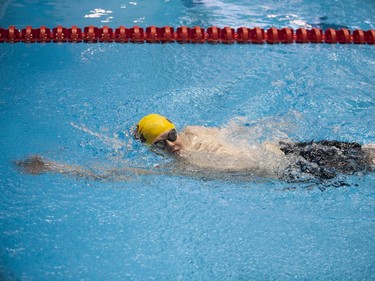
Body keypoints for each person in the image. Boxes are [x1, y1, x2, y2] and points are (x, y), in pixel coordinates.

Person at [16, 113, 375, 182]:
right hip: (287, 173)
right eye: (161, 144)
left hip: (288, 151)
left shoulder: (198, 132)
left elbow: (241, 128)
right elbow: (114, 173)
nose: (171, 145)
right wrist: (54, 167)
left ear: (176, 128)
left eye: (171, 136)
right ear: (152, 150)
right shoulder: (175, 168)